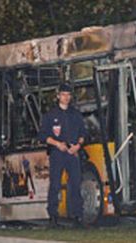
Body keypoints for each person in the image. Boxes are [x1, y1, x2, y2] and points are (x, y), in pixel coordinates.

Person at [38, 83, 87, 227]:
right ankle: (53, 216)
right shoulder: (51, 115)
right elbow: (42, 136)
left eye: (68, 95)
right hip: (57, 153)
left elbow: (83, 134)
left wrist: (78, 146)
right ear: (58, 96)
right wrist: (57, 144)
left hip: (72, 153)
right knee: (55, 184)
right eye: (64, 94)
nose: (66, 97)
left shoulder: (75, 114)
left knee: (76, 184)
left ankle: (77, 216)